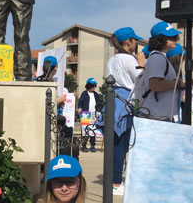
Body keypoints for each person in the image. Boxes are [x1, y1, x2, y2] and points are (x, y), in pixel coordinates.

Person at [106, 27, 145, 193]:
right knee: (122, 144)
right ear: (128, 41)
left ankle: (113, 180)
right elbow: (140, 80)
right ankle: (116, 182)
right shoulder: (129, 60)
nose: (136, 43)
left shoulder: (112, 59)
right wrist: (141, 64)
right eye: (134, 40)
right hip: (125, 102)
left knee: (115, 143)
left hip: (113, 100)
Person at [134, 21, 185, 121]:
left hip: (157, 114)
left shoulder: (159, 57)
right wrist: (177, 83)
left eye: (175, 36)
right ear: (160, 39)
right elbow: (155, 84)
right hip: (155, 115)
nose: (175, 39)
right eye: (171, 37)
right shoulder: (157, 58)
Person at [77, 78, 101, 152]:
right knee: (85, 130)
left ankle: (93, 145)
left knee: (93, 130)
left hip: (94, 115)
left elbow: (99, 104)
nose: (94, 87)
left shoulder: (96, 95)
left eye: (95, 86)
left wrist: (99, 111)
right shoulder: (84, 94)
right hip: (85, 114)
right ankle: (84, 145)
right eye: (93, 86)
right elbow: (80, 102)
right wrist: (79, 108)